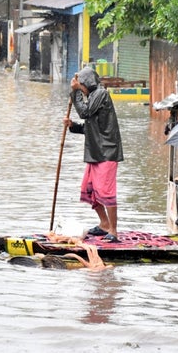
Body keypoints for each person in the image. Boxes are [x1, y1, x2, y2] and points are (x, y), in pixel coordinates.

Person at [63, 66, 124, 243]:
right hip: (95, 153)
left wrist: (74, 93)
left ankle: (113, 231)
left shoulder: (100, 94)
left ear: (87, 84)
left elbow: (84, 112)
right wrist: (73, 126)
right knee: (89, 189)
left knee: (106, 191)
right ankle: (104, 223)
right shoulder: (93, 97)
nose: (80, 89)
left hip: (107, 153)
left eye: (81, 86)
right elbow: (90, 126)